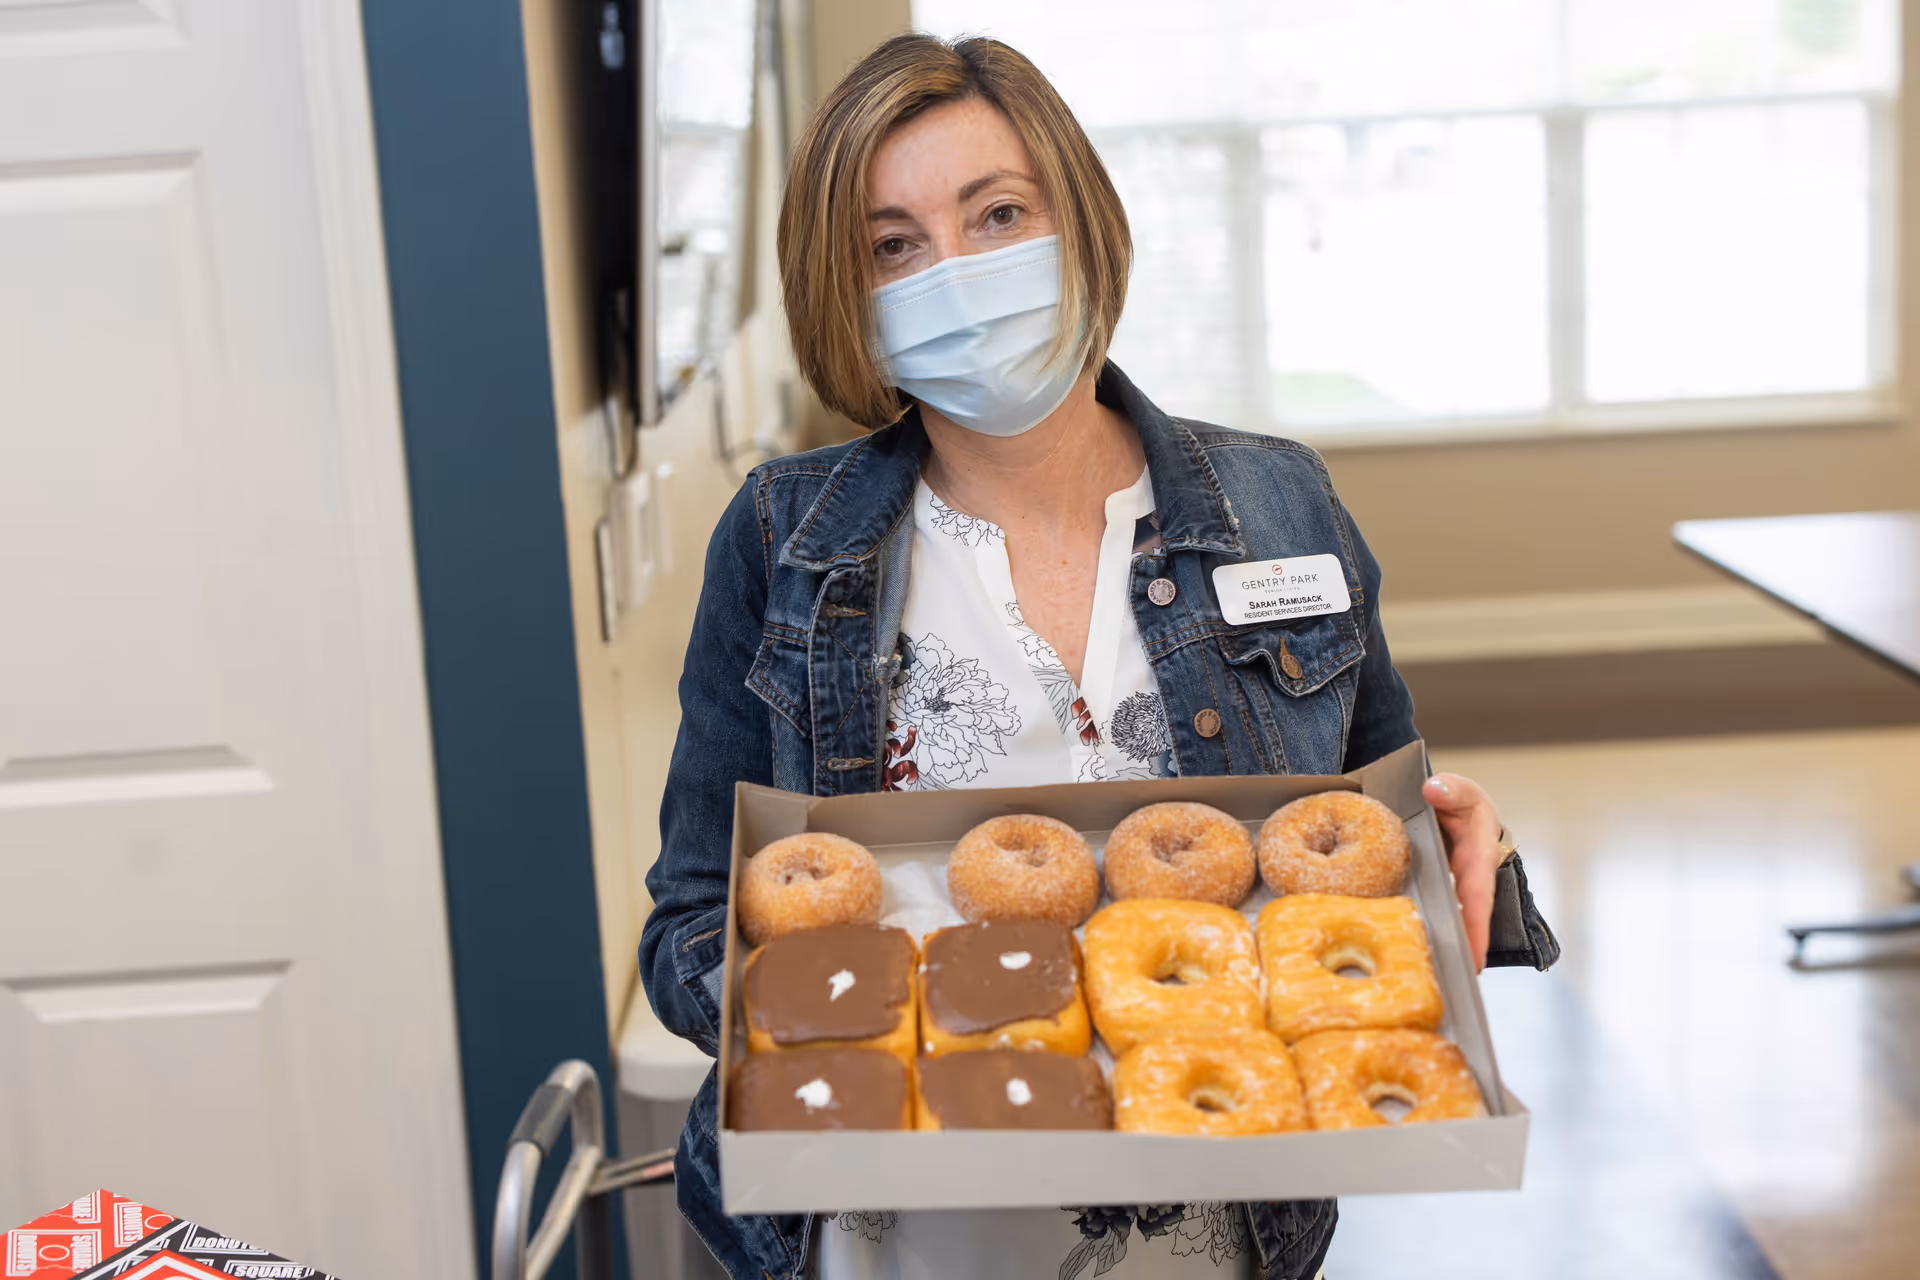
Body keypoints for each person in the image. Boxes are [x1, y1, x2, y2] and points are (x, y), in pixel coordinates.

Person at [640, 33, 1558, 1280]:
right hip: (882, 1244)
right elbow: (693, 919)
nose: (954, 275)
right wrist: (814, 1028)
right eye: (893, 246)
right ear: (845, 290)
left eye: (998, 214)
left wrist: (1475, 871)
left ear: (1080, 220)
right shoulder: (782, 538)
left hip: (1218, 1229)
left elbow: (1380, 859)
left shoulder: (1280, 504)